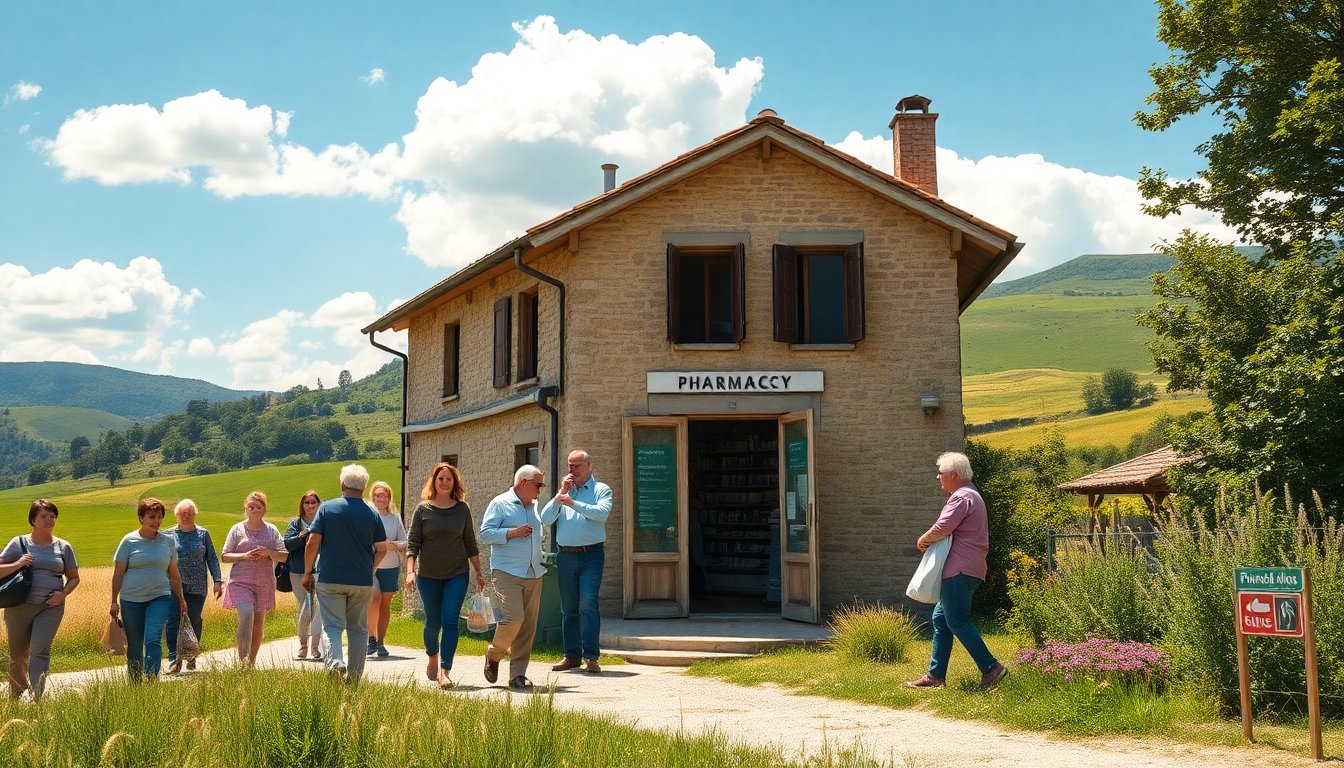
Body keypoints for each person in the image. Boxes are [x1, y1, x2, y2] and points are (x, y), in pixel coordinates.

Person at [906, 452, 1008, 691]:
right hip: (968, 568)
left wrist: (923, 539)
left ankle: (992, 668)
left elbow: (943, 527)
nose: (938, 477)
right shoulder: (971, 495)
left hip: (958, 569)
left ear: (953, 474)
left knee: (957, 621)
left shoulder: (961, 497)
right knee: (941, 619)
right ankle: (935, 676)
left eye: (940, 473)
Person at [302, 463, 388, 684]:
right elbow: (382, 548)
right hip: (361, 580)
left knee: (332, 626)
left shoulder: (327, 508)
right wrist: (372, 568)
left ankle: (335, 662)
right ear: (364, 487)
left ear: (342, 484)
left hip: (330, 578)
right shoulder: (372, 513)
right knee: (359, 629)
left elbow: (312, 542)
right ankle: (354, 680)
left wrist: (307, 572)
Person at [406, 463, 485, 688]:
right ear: (434, 481)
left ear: (454, 483)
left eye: (449, 479)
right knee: (433, 622)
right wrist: (410, 572)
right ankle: (433, 656)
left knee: (450, 619)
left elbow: (470, 542)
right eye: (441, 478)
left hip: (457, 574)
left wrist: (478, 571)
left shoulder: (462, 509)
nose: (444, 482)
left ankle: (444, 670)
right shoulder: (422, 510)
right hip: (428, 575)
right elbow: (413, 544)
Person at [541, 449, 612, 673]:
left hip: (591, 555)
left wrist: (572, 503)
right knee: (568, 607)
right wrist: (560, 494)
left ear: (589, 466)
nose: (572, 470)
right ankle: (571, 656)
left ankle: (591, 657)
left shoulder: (601, 490)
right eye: (570, 466)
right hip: (566, 555)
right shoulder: (564, 493)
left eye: (577, 466)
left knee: (588, 601)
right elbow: (545, 518)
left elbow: (601, 514)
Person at [0, 499, 79, 700]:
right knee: (17, 656)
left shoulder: (63, 546)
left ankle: (37, 697)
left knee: (40, 650)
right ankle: (16, 694)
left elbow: (74, 577)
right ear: (33, 520)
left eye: (52, 516)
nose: (49, 520)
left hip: (50, 607)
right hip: (19, 606)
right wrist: (18, 564)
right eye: (44, 516)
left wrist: (63, 594)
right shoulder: (19, 543)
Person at [478, 464, 547, 690]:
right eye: (538, 484)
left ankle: (518, 674)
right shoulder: (500, 503)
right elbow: (484, 534)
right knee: (513, 619)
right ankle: (494, 654)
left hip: (534, 571)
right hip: (507, 571)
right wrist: (512, 533)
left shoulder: (537, 507)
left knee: (527, 625)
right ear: (523, 483)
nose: (541, 489)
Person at [110, 497, 188, 682]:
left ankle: (152, 681)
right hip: (131, 599)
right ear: (141, 518)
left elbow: (174, 574)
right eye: (152, 517)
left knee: (152, 638)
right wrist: (114, 601)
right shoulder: (128, 542)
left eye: (160, 517)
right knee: (135, 645)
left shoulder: (167, 542)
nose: (157, 521)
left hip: (159, 597)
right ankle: (136, 685)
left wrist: (181, 599)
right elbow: (118, 573)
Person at [220, 491, 287, 668]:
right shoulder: (237, 529)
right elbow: (225, 556)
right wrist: (244, 556)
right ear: (245, 509)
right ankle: (242, 660)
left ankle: (252, 660)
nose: (254, 509)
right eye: (251, 506)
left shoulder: (271, 530)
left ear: (264, 510)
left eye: (258, 506)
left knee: (258, 624)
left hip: (264, 583)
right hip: (240, 582)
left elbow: (285, 555)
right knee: (246, 614)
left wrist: (269, 553)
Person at [164, 498, 223, 673]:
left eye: (190, 513)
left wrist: (217, 581)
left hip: (198, 586)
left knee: (194, 620)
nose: (186, 516)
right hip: (174, 585)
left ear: (195, 515)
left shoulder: (203, 534)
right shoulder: (167, 535)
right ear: (176, 515)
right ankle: (175, 659)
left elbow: (211, 558)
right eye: (183, 513)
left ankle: (190, 655)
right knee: (173, 621)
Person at [366, 480, 408, 659]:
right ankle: (370, 638)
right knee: (374, 598)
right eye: (376, 495)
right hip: (371, 566)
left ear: (388, 497)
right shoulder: (367, 516)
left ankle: (381, 642)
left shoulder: (394, 518)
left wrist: (392, 545)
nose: (379, 498)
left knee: (385, 605)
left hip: (390, 567)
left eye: (382, 495)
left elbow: (405, 543)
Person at [284, 490, 324, 660]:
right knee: (304, 608)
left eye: (312, 502)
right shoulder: (295, 523)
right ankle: (303, 644)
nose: (309, 506)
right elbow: (288, 544)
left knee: (318, 610)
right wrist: (305, 533)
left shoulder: (325, 522)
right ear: (302, 505)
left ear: (318, 504)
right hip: (298, 571)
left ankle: (315, 647)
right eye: (306, 503)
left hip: (321, 571)